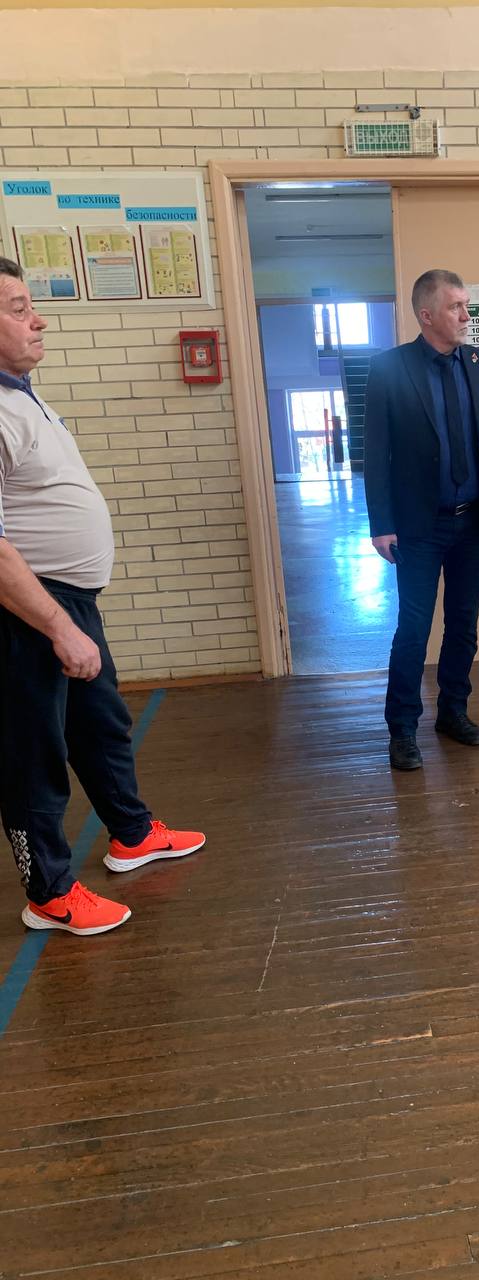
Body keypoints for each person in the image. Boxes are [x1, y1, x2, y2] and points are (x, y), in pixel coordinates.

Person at [0, 257, 204, 937]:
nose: (39, 320)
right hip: (27, 613)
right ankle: (49, 894)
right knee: (32, 757)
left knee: (98, 726)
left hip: (68, 603)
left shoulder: (21, 395)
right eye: (19, 309)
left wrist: (71, 619)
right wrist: (57, 627)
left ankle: (132, 834)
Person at [364, 268, 479, 771]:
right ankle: (403, 729)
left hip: (472, 522)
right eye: (456, 307)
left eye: (466, 305)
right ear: (426, 315)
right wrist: (380, 524)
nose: (466, 315)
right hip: (417, 527)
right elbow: (376, 454)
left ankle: (453, 711)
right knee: (413, 629)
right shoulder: (390, 369)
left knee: (463, 625)